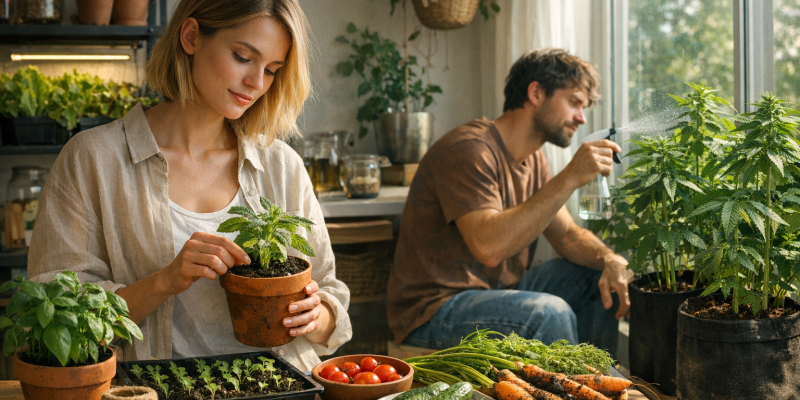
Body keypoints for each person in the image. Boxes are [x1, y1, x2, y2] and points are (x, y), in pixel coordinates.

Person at [27, 0, 352, 370]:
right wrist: (164, 280)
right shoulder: (93, 159)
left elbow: (329, 295)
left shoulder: (280, 164)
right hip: (153, 388)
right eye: (243, 57)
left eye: (272, 70)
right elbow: (58, 317)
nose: (257, 82)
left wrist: (314, 316)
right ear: (191, 36)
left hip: (281, 385)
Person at [387, 48, 633, 355]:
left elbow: (568, 236)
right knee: (547, 313)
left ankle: (597, 383)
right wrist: (570, 177)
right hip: (433, 312)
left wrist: (609, 259)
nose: (581, 118)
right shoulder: (469, 149)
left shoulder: (535, 160)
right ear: (535, 92)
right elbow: (489, 248)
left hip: (495, 293)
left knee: (597, 277)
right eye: (573, 103)